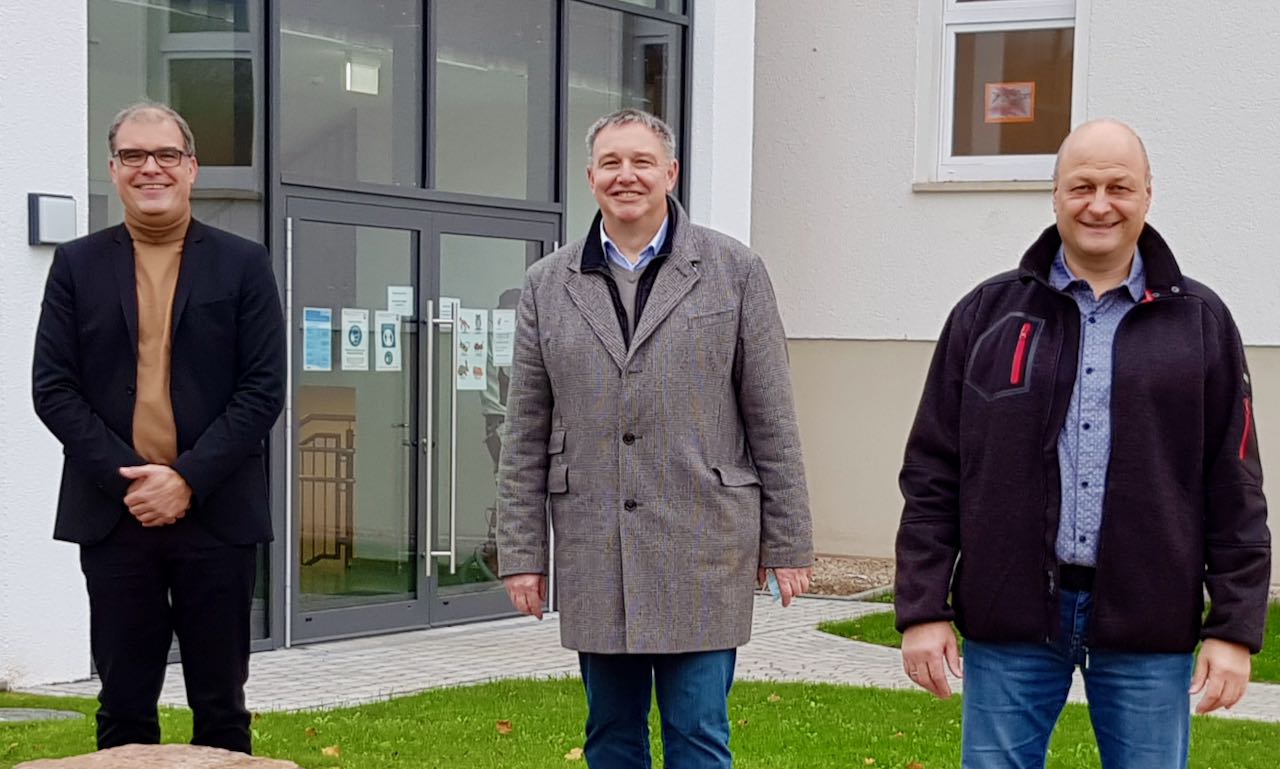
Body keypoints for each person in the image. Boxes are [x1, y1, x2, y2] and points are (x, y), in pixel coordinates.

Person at [895, 119, 1270, 768]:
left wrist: (1234, 627)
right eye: (1082, 186)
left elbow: (1233, 483)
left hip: (1149, 621)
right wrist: (922, 606)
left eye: (1119, 186)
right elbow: (934, 471)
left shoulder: (1200, 324)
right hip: (1010, 618)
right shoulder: (987, 316)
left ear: (1149, 195)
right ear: (1056, 195)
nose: (1100, 203)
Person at [496, 108, 814, 769]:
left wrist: (787, 542)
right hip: (596, 546)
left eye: (641, 161)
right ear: (590, 178)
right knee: (611, 733)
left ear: (670, 173)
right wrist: (521, 552)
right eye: (611, 163)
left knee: (698, 731)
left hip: (704, 545)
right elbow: (524, 428)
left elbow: (773, 418)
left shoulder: (735, 271)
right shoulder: (546, 285)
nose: (626, 175)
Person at [32, 102, 285, 753]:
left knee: (221, 704)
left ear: (192, 167)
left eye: (166, 154)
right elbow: (52, 387)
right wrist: (133, 484)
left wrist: (186, 480)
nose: (152, 167)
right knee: (121, 704)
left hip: (217, 513)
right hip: (116, 517)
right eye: (134, 155)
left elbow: (263, 389)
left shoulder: (244, 263)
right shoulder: (77, 265)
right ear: (113, 170)